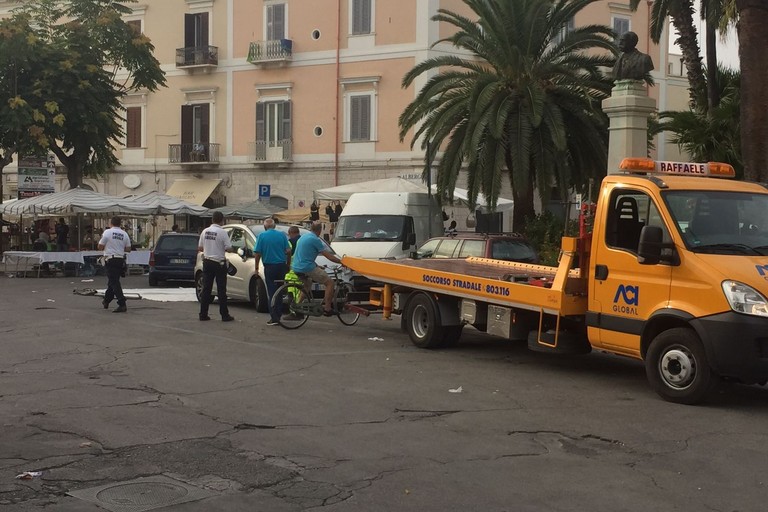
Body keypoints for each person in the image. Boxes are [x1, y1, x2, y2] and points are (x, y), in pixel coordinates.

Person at [291, 222, 343, 316]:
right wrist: (342, 262)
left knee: (307, 285)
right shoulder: (315, 240)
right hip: (306, 267)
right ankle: (327, 308)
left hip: (296, 267)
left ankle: (298, 306)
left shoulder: (304, 237)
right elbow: (329, 257)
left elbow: (304, 255)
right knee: (330, 283)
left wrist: (316, 266)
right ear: (320, 230)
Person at [198, 211, 235, 322]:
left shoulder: (205, 231)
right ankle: (224, 315)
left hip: (207, 262)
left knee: (206, 289)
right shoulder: (222, 232)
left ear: (212, 220)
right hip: (219, 263)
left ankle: (203, 314)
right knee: (221, 290)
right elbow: (229, 248)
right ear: (222, 220)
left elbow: (200, 248)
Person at [254, 218, 292, 326]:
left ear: (265, 227)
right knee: (280, 290)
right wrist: (287, 264)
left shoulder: (261, 236)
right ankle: (279, 314)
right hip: (281, 266)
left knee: (272, 291)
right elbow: (288, 251)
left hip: (270, 267)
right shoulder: (282, 235)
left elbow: (257, 254)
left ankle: (274, 317)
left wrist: (256, 268)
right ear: (274, 226)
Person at [98, 216, 132, 313]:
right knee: (112, 281)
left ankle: (122, 303)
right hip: (120, 260)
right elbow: (128, 249)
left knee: (114, 282)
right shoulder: (124, 234)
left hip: (111, 259)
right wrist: (120, 248)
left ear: (111, 223)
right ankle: (106, 300)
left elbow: (100, 246)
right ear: (120, 224)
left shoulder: (107, 232)